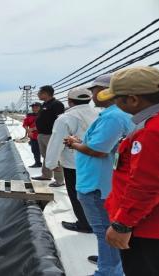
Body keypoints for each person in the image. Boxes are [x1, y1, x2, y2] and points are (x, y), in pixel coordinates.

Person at [65, 74, 134, 276]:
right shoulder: (119, 115)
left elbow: (98, 150)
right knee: (106, 229)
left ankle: (107, 271)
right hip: (104, 180)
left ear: (105, 92)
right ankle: (109, 261)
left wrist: (73, 143)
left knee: (104, 230)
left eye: (94, 90)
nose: (92, 95)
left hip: (96, 183)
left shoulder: (113, 117)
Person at [98, 66, 159, 276]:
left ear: (133, 99)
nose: (115, 104)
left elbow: (146, 185)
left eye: (117, 99)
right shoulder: (147, 124)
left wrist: (123, 225)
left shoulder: (151, 132)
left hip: (146, 227)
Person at [45, 87, 98, 234]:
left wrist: (51, 163)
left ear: (69, 101)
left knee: (77, 195)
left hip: (74, 163)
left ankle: (84, 223)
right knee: (96, 194)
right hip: (99, 161)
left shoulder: (66, 118)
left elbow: (57, 141)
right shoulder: (99, 114)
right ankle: (99, 222)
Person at [33, 85, 65, 187]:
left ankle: (59, 180)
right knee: (46, 156)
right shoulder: (44, 105)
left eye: (40, 92)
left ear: (46, 93)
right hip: (42, 134)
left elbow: (61, 120)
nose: (38, 94)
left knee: (55, 156)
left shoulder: (56, 104)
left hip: (51, 135)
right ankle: (46, 175)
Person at [22, 102, 42, 168]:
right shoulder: (29, 115)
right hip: (33, 136)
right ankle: (38, 163)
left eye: (36, 107)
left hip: (43, 136)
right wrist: (28, 131)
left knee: (45, 151)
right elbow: (25, 124)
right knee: (35, 150)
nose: (34, 109)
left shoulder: (44, 115)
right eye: (33, 107)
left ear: (40, 107)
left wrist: (33, 129)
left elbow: (45, 124)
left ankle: (48, 166)